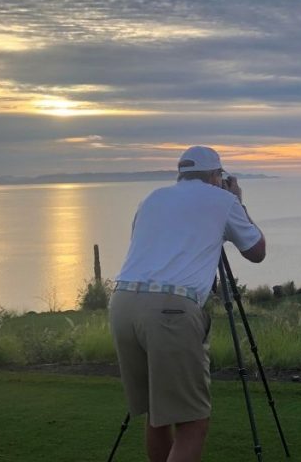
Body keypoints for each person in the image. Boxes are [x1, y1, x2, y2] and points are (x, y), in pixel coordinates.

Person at [110, 145, 266, 462]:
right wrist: (238, 202)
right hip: (170, 311)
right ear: (215, 176)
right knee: (193, 422)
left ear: (181, 174)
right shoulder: (223, 200)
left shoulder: (151, 199)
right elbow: (257, 251)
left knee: (158, 412)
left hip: (123, 303)